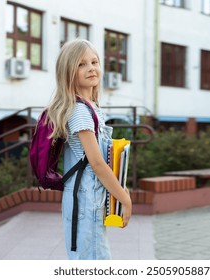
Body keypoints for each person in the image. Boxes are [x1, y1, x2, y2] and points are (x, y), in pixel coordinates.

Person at [46, 38, 132, 260]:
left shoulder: (90, 107)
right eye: (82, 64)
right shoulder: (80, 112)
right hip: (85, 201)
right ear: (68, 72)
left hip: (88, 198)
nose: (91, 68)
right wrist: (124, 197)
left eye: (94, 62)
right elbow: (96, 163)